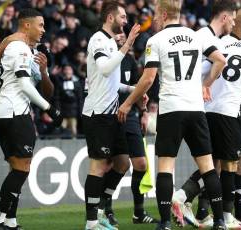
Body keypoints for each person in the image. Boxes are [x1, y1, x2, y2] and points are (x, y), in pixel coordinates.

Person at [117, 0, 227, 229]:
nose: (155, 18)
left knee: (166, 167)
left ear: (165, 14)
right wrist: (206, 84)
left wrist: (127, 103)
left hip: (171, 110)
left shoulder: (155, 40)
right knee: (207, 166)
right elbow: (220, 61)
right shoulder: (198, 36)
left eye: (157, 14)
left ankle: (165, 222)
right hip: (196, 109)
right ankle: (219, 221)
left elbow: (148, 79)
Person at [172, 9, 241, 229]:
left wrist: (205, 86)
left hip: (205, 108)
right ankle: (224, 214)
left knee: (212, 162)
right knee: (228, 164)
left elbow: (207, 68)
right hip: (228, 112)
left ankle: (193, 203)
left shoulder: (222, 42)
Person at [0, 9, 63, 230]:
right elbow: (24, 84)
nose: (44, 29)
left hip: (5, 113)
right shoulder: (18, 47)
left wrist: (44, 71)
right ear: (26, 25)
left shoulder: (25, 50)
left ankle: (10, 221)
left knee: (17, 168)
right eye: (40, 24)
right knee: (22, 169)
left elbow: (45, 88)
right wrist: (49, 109)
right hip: (15, 113)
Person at [82, 1, 141, 229]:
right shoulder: (98, 39)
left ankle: (103, 203)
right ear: (110, 18)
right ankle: (91, 222)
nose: (125, 21)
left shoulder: (109, 42)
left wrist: (133, 91)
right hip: (98, 114)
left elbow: (113, 81)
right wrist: (126, 45)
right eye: (123, 17)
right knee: (97, 166)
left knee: (123, 162)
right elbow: (105, 69)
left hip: (112, 112)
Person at [102, 32, 158, 227]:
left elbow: (138, 86)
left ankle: (138, 213)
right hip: (109, 116)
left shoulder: (129, 60)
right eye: (117, 34)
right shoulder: (104, 58)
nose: (120, 37)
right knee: (117, 165)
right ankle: (105, 207)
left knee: (141, 164)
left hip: (130, 117)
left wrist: (143, 111)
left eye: (123, 35)